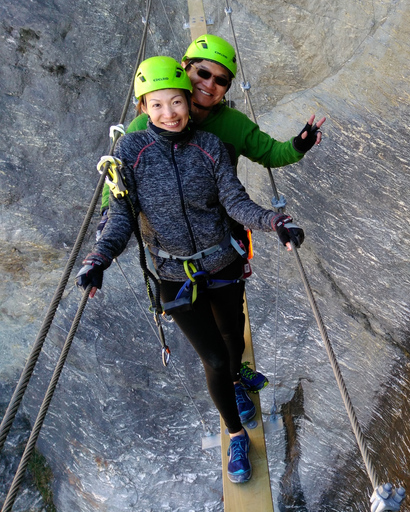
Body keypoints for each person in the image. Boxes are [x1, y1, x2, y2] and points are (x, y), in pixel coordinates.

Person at [77, 56, 305, 483]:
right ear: (143, 108)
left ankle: (238, 381)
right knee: (215, 358)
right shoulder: (130, 152)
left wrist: (275, 221)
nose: (170, 113)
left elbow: (234, 200)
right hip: (172, 274)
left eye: (177, 102)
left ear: (188, 100)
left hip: (223, 261)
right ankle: (236, 435)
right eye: (158, 105)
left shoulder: (211, 147)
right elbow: (121, 215)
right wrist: (99, 258)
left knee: (233, 337)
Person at [96, 34, 325, 393]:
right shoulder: (142, 134)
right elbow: (121, 193)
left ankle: (233, 372)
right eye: (202, 73)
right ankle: (228, 379)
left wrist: (298, 146)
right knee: (213, 342)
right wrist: (104, 237)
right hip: (172, 250)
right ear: (184, 70)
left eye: (221, 80)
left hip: (223, 237)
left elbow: (270, 155)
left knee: (232, 323)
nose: (209, 85)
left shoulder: (227, 129)